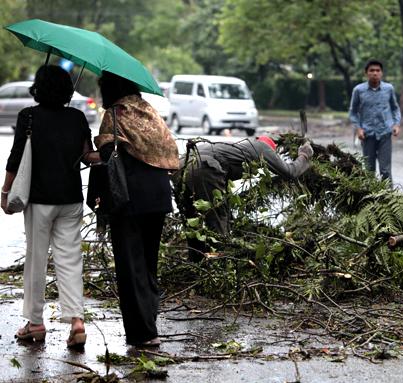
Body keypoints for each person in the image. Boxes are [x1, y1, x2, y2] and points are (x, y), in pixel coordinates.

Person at [1, 65, 94, 348]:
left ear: (38, 88)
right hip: (70, 200)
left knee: (36, 260)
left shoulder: (28, 116)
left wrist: (5, 191)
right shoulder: (77, 118)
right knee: (70, 260)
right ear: (68, 89)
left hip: (39, 200)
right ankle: (76, 321)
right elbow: (88, 156)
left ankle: (36, 323)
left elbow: (16, 157)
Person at [91, 71, 179, 347]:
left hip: (128, 198)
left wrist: (85, 153)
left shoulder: (116, 115)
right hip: (158, 196)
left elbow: (108, 156)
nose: (101, 91)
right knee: (148, 263)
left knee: (130, 267)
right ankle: (149, 322)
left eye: (102, 86)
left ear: (111, 87)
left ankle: (144, 333)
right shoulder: (148, 111)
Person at [174, 136, 313, 259]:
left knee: (191, 220)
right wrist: (304, 156)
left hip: (179, 166)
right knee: (218, 221)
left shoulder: (233, 149)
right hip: (203, 166)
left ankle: (196, 262)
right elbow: (290, 172)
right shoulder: (261, 148)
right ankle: (222, 264)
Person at [349, 59, 401, 184]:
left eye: (378, 70)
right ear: (366, 73)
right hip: (367, 135)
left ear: (382, 73)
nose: (375, 73)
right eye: (372, 70)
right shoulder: (359, 90)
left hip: (385, 133)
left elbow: (395, 108)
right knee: (369, 170)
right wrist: (359, 128)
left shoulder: (388, 89)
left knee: (385, 170)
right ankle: (370, 198)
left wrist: (396, 124)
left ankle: (389, 199)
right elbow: (353, 112)